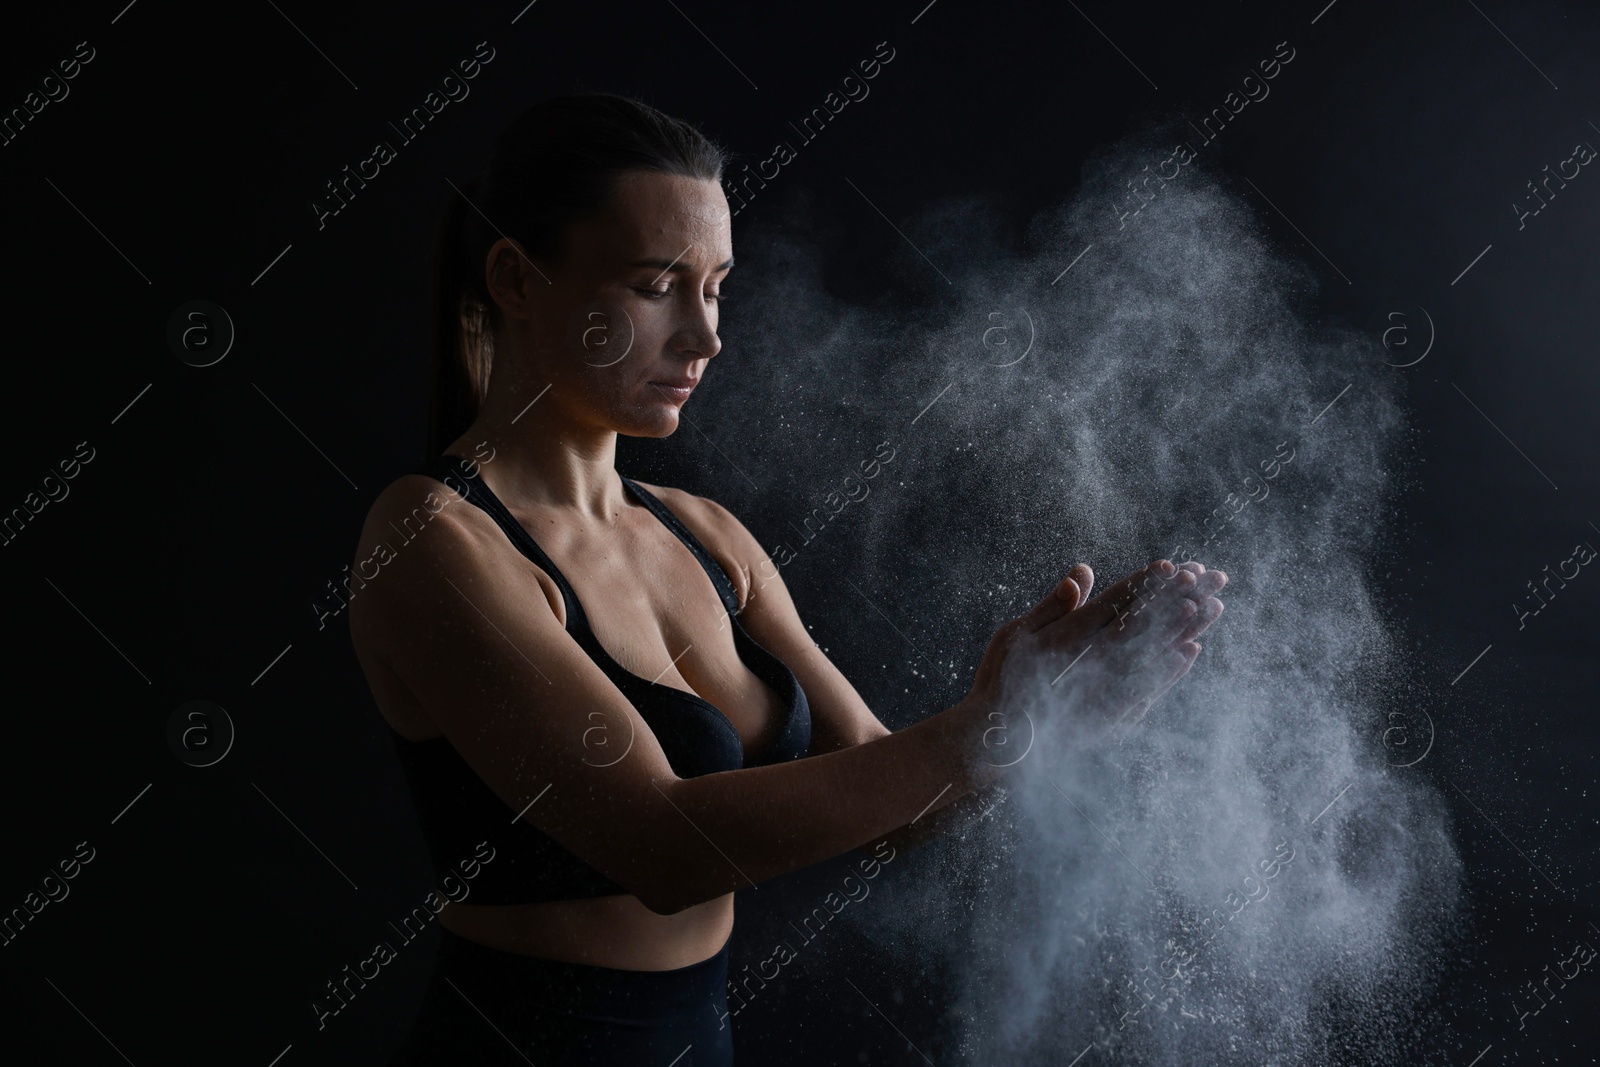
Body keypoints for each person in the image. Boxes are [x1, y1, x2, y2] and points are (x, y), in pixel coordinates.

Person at [352, 92, 1227, 1066]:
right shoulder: (433, 539)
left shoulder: (706, 535)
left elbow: (900, 812)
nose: (704, 335)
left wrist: (1043, 718)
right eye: (656, 285)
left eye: (716, 285)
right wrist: (977, 723)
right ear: (517, 278)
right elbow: (664, 848)